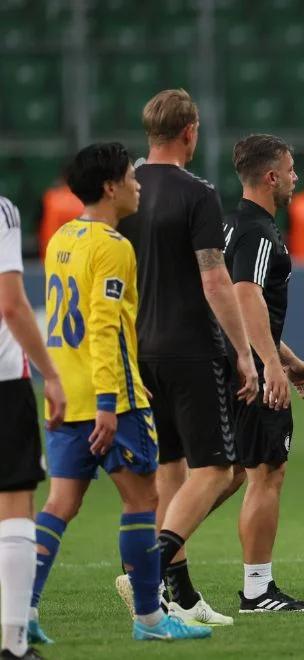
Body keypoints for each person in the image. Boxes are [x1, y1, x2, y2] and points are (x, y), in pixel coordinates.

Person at [29, 142, 212, 643]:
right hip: (114, 398)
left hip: (67, 394)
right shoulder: (113, 246)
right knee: (143, 501)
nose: (137, 184)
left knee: (60, 503)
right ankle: (151, 618)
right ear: (110, 187)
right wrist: (109, 404)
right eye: (132, 177)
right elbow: (105, 327)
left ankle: (23, 608)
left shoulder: (61, 238)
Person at [116, 89, 257, 626]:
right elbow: (215, 278)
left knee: (170, 468)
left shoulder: (124, 190)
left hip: (140, 347)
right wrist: (242, 353)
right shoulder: (197, 193)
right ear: (190, 131)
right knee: (219, 468)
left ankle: (179, 596)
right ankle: (146, 572)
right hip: (189, 349)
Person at [223, 134, 304, 613]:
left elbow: (240, 305)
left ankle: (161, 557)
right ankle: (258, 591)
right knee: (267, 472)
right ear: (271, 177)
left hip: (229, 364)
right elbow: (246, 295)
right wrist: (269, 367)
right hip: (247, 372)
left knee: (228, 475)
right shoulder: (259, 231)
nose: (295, 177)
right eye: (291, 168)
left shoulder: (231, 226)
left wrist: (288, 358)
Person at [0, 194, 67, 659]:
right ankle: (13, 641)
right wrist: (52, 373)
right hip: (3, 379)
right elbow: (11, 304)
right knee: (15, 503)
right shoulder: (2, 210)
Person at [37, 174, 83, 258]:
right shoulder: (85, 199)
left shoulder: (49, 197)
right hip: (80, 257)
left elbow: (38, 224)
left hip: (52, 256)